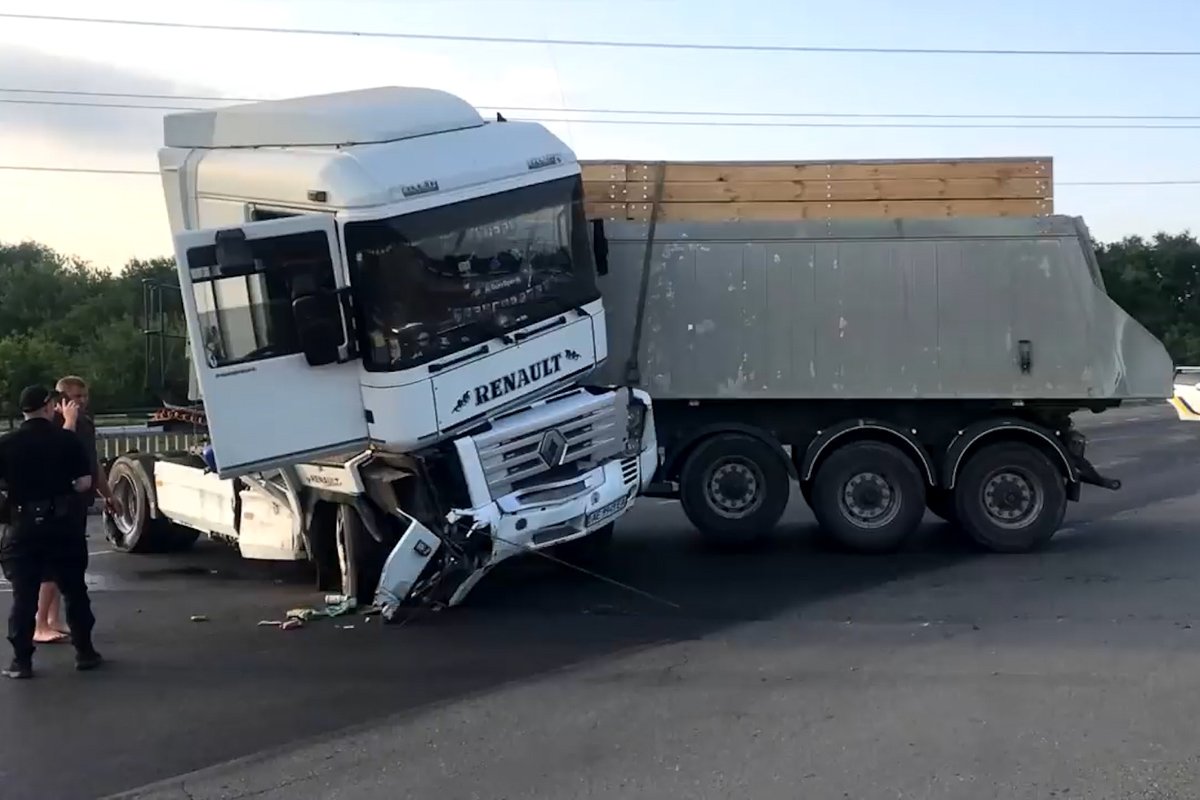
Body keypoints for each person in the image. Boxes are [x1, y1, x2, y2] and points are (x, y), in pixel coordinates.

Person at [0, 385, 103, 678]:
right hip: (63, 525)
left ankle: (21, 662)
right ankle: (85, 652)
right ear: (48, 407)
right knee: (74, 591)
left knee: (23, 596)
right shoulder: (67, 441)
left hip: (22, 527)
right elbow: (85, 482)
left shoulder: (6, 443)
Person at [32, 375, 123, 644]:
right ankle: (39, 622)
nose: (82, 402)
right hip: (58, 504)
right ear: (62, 399)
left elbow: (92, 463)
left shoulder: (85, 424)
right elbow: (57, 455)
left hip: (78, 504)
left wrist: (107, 494)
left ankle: (53, 619)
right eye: (76, 397)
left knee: (65, 564)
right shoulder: (55, 426)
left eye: (85, 396)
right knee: (52, 564)